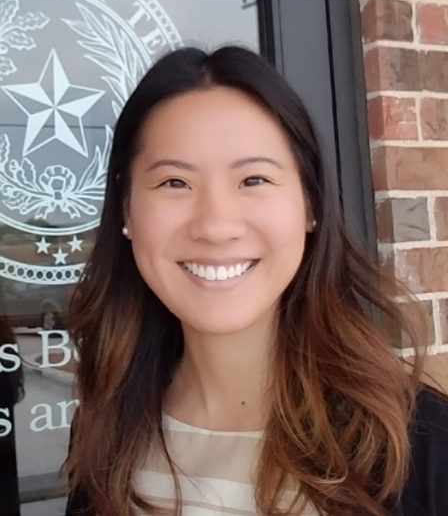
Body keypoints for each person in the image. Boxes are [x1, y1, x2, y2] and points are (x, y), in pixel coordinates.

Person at [65, 46, 448, 515]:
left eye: (253, 180)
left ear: (310, 205)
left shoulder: (413, 443)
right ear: (126, 210)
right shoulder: (108, 422)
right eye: (174, 183)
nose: (215, 225)